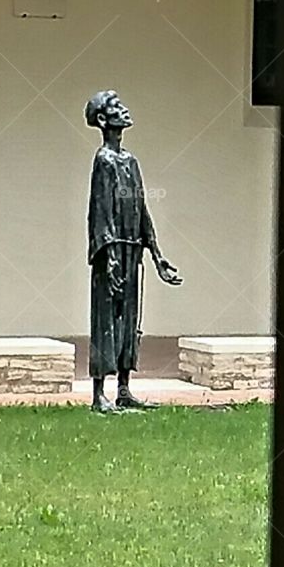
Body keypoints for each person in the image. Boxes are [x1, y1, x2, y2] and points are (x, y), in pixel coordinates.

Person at [85, 89, 182, 412]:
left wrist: (156, 253)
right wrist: (109, 253)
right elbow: (101, 210)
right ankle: (100, 393)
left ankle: (124, 388)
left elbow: (141, 207)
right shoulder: (104, 160)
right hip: (111, 252)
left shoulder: (130, 161)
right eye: (115, 107)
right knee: (106, 317)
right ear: (102, 119)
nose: (124, 110)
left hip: (133, 251)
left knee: (129, 318)